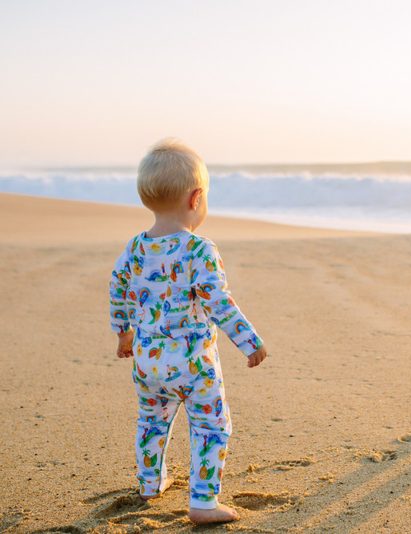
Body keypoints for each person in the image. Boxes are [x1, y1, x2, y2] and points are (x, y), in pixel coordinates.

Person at [109, 139, 267, 524]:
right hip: (193, 363)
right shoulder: (199, 250)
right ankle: (203, 501)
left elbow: (118, 288)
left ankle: (150, 484)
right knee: (211, 426)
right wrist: (250, 342)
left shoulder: (135, 248)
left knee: (151, 419)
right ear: (197, 199)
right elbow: (219, 302)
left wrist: (123, 333)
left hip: (147, 359)